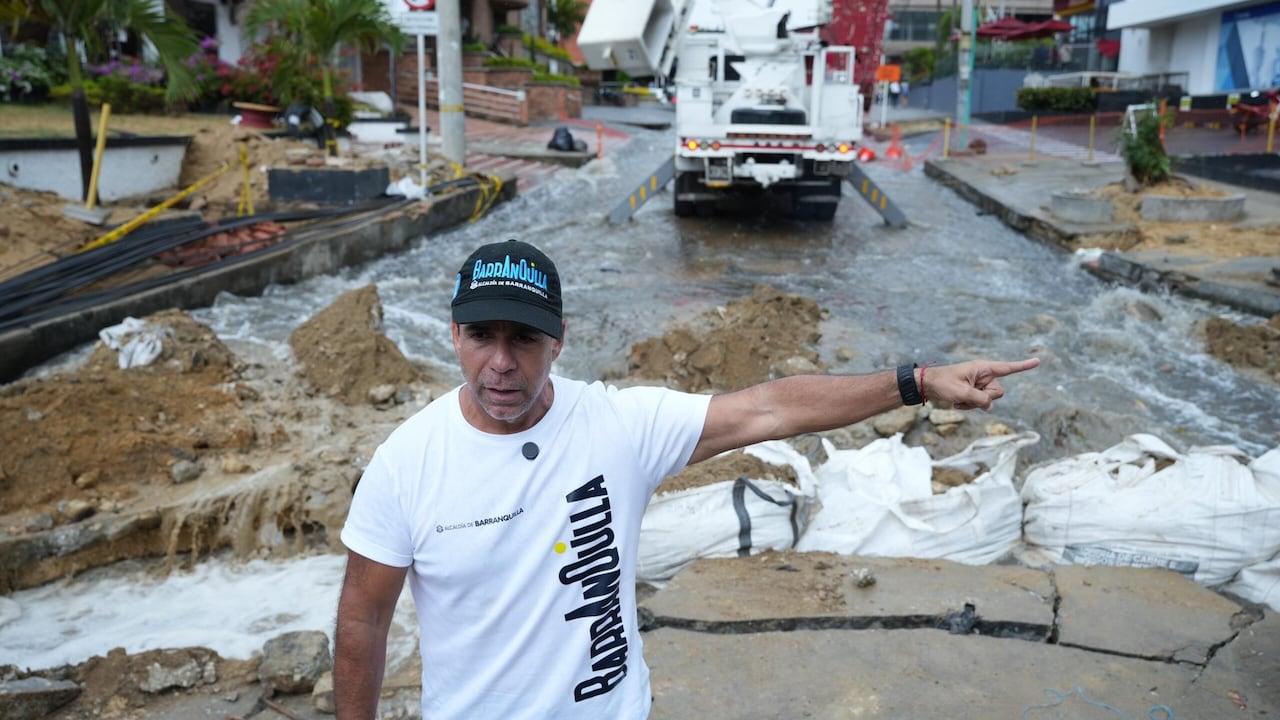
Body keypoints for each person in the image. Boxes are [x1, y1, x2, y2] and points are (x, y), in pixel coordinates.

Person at [333, 239, 1040, 719]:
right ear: (454, 335)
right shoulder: (406, 463)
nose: (501, 362)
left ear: (559, 340)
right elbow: (363, 619)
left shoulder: (615, 425)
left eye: (524, 338)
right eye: (482, 336)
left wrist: (918, 382)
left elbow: (770, 408)